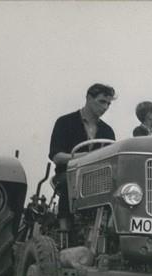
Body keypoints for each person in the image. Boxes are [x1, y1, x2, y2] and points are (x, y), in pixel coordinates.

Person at [48, 83, 117, 232]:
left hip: (98, 177)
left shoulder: (107, 131)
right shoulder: (65, 122)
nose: (105, 107)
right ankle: (63, 230)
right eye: (102, 102)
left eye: (108, 104)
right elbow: (56, 156)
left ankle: (110, 230)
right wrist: (86, 157)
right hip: (68, 174)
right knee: (71, 181)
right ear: (88, 98)